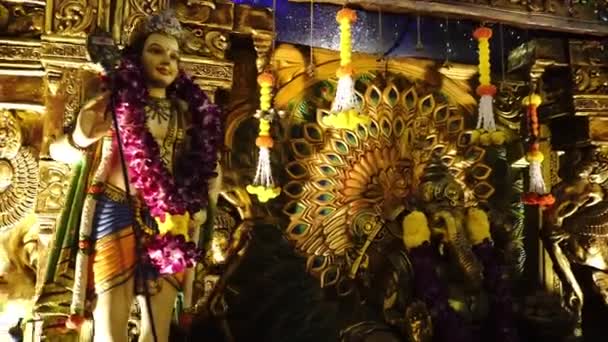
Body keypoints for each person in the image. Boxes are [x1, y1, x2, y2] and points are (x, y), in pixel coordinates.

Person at [49, 10, 223, 342]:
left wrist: (210, 186)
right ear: (135, 56)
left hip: (170, 218)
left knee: (156, 332)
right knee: (110, 327)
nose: (167, 60)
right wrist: (81, 138)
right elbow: (59, 153)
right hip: (115, 209)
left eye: (174, 55)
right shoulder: (110, 101)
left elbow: (205, 166)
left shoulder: (186, 114)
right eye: (156, 50)